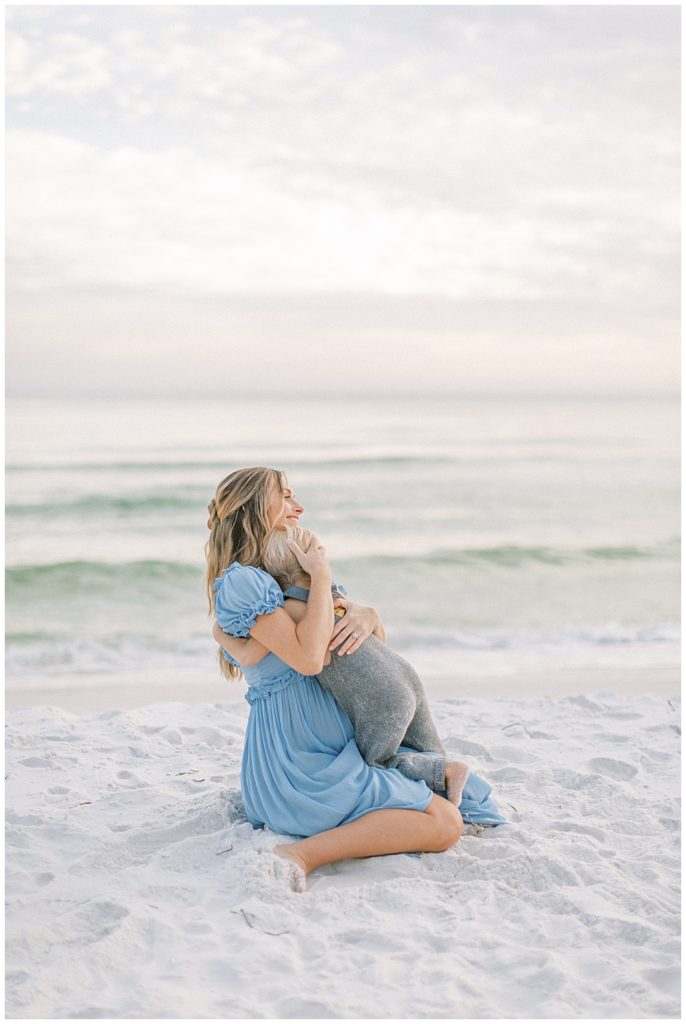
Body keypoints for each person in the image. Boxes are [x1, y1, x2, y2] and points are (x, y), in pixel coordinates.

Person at [206, 467, 463, 890]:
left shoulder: (286, 581)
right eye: (286, 497)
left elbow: (366, 651)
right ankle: (302, 854)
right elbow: (309, 660)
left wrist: (367, 613)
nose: (298, 508)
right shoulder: (244, 583)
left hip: (329, 754)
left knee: (450, 807)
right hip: (298, 765)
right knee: (444, 821)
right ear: (253, 506)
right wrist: (322, 575)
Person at [215, 524, 506, 827]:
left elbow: (304, 654)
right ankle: (460, 794)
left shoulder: (295, 608)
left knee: (379, 765)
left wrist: (224, 637)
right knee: (428, 752)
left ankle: (448, 774)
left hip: (382, 700)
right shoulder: (335, 596)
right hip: (404, 676)